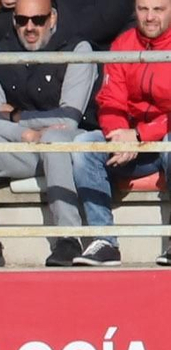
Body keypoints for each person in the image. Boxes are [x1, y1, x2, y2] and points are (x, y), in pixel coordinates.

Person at [0, 0, 97, 269]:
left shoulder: (77, 49)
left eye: (38, 20)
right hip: (25, 144)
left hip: (68, 146)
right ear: (13, 20)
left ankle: (69, 238)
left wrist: (16, 116)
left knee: (54, 140)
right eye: (22, 20)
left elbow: (68, 119)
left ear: (52, 18)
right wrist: (24, 132)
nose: (30, 27)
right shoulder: (0, 50)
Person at [72, 0, 171, 267]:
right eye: (143, 9)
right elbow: (109, 101)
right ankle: (104, 241)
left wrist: (139, 135)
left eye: (158, 9)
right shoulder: (123, 44)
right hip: (132, 141)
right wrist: (119, 136)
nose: (149, 17)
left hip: (160, 137)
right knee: (84, 145)